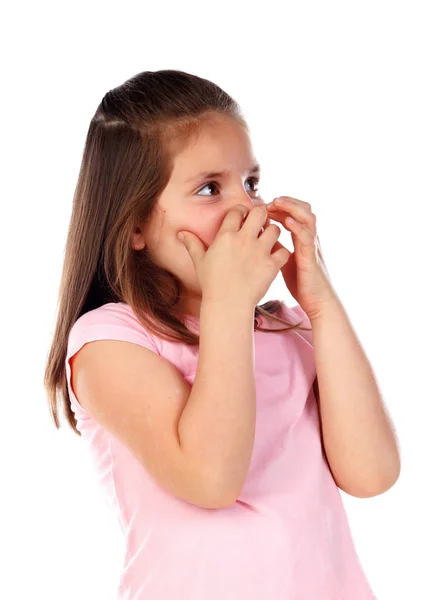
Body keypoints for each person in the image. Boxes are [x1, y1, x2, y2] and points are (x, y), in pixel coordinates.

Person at [44, 69, 381, 599]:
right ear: (134, 225)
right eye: (208, 188)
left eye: (251, 182)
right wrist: (227, 304)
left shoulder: (285, 331)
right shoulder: (109, 341)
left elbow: (372, 473)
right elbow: (211, 480)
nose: (246, 206)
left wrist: (319, 303)